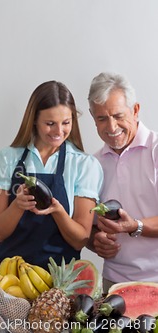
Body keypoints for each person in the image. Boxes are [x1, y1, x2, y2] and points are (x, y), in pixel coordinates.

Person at [0, 80, 103, 276]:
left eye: (66, 123)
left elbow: (80, 239)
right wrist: (17, 205)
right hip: (8, 279)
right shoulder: (6, 159)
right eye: (50, 124)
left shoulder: (85, 165)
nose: (59, 132)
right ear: (34, 119)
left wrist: (57, 211)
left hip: (59, 284)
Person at [87, 72, 158, 292]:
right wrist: (95, 242)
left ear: (135, 110)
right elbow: (88, 226)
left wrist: (136, 226)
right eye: (101, 118)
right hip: (113, 283)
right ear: (92, 116)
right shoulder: (93, 164)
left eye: (118, 116)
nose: (111, 127)